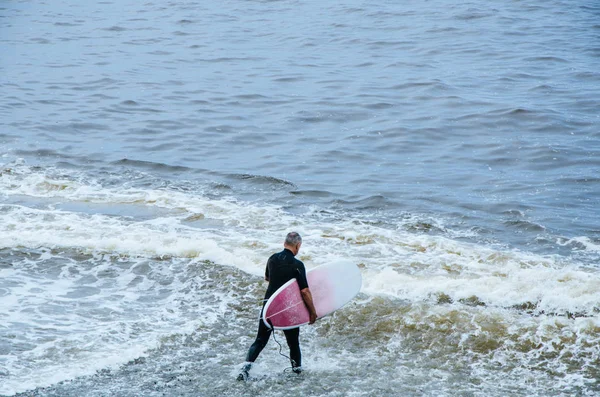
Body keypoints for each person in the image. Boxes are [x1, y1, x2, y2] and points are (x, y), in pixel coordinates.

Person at [237, 232, 318, 381]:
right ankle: (297, 373)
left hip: (269, 304)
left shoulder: (272, 259)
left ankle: (244, 370)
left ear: (284, 243)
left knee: (260, 340)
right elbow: (305, 291)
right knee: (293, 343)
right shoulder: (298, 265)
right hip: (287, 308)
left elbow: (268, 278)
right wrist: (313, 312)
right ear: (298, 245)